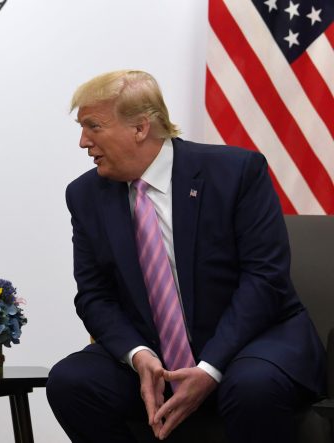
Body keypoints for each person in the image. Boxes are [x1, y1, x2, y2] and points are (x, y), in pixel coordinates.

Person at [46, 70, 325, 443]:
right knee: (71, 383)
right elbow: (94, 295)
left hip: (252, 342)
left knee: (252, 388)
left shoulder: (236, 172)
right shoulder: (85, 195)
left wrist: (210, 368)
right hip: (155, 354)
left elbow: (264, 279)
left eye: (93, 126)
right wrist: (139, 355)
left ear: (141, 128)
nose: (83, 142)